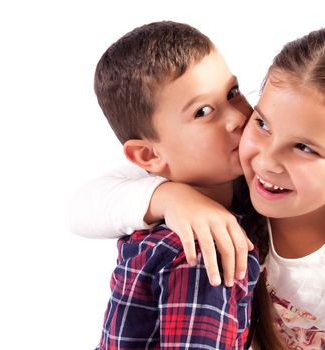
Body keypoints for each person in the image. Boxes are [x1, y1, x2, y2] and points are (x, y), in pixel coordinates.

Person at [71, 27, 325, 349]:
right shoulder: (224, 176)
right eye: (264, 123)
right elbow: (80, 210)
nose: (266, 160)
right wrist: (172, 197)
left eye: (304, 148)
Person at [87, 21, 262, 349]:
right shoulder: (204, 249)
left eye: (233, 93)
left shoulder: (237, 194)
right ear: (149, 154)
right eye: (203, 111)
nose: (238, 117)